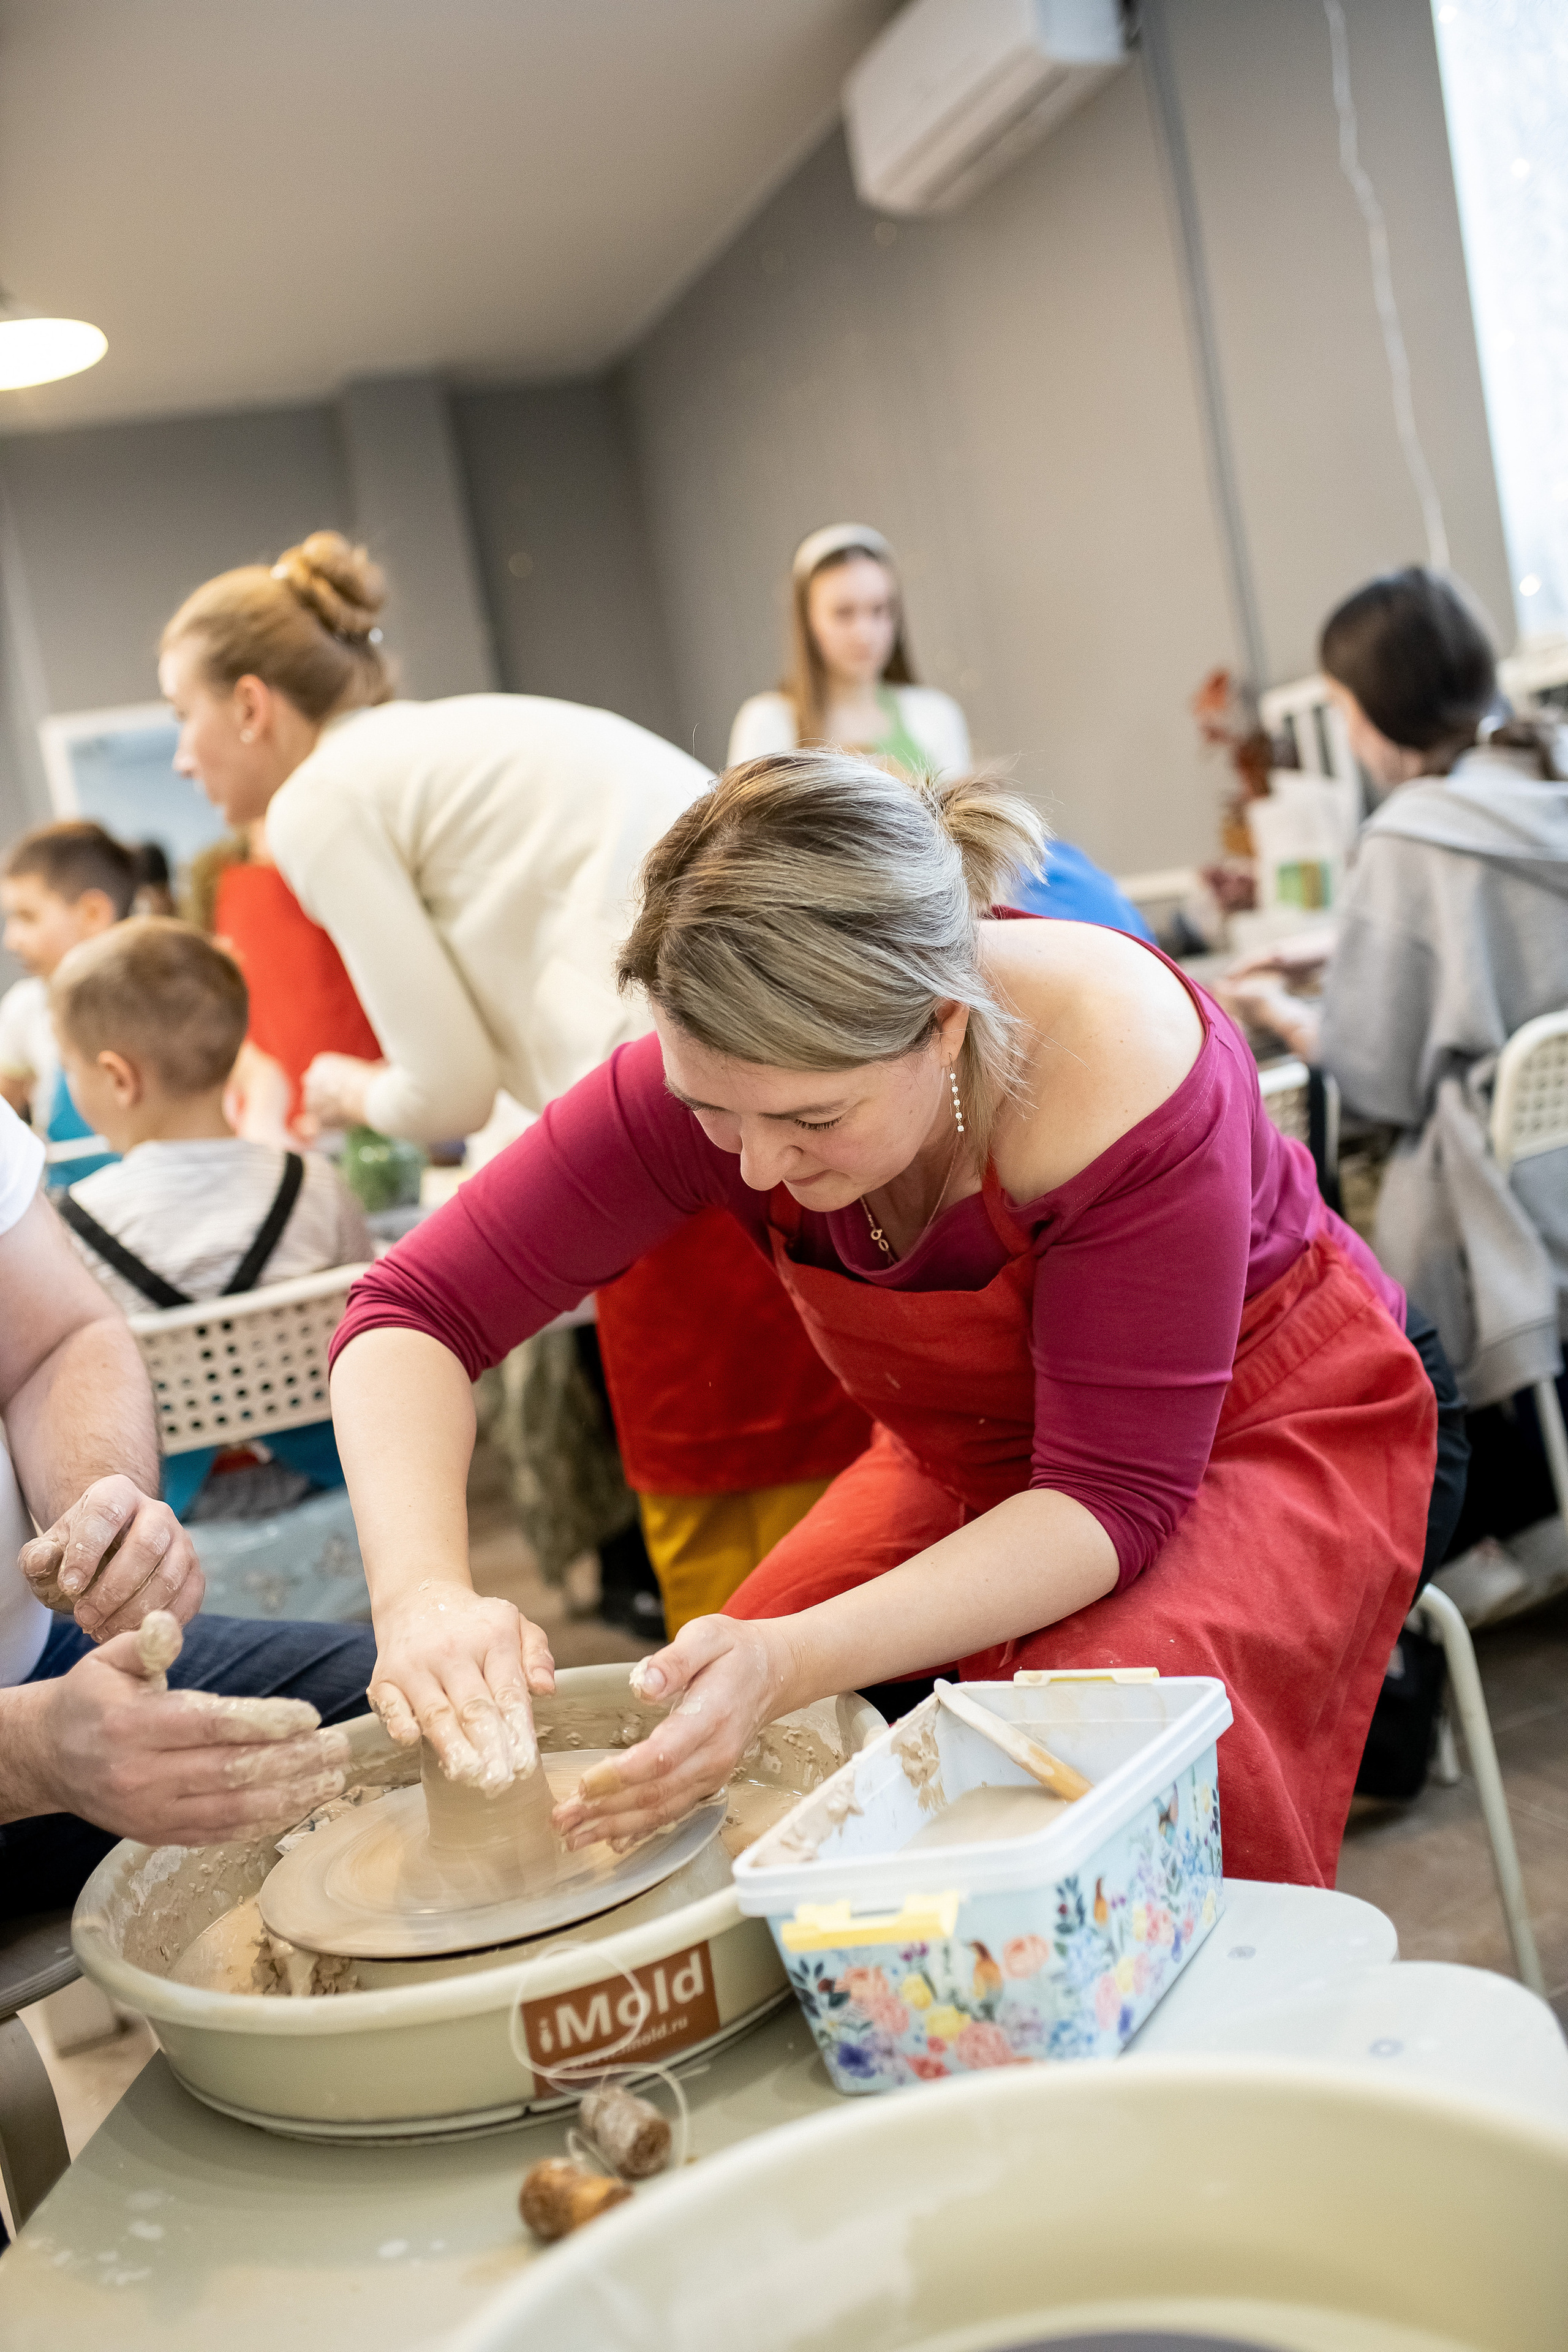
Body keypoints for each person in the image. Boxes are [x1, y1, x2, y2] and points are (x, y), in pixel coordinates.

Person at [326, 752, 1463, 1889]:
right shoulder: (735, 1071)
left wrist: (791, 1658)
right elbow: (412, 1310)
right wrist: (421, 1593)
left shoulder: (1114, 1053)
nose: (756, 1164)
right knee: (717, 1756)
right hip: (976, 1453)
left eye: (814, 1119)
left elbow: (1109, 1499)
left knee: (1079, 1748)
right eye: (712, 1112)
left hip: (1276, 1420)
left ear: (946, 1024)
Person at [156, 535, 869, 1632]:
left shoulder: (316, 802)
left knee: (726, 1501)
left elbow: (445, 1090)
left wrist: (349, 1089)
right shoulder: (446, 744)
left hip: (693, 1089)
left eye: (182, 716)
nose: (179, 759)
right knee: (831, 1474)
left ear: (251, 706)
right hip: (779, 1054)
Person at [1220, 567, 1568, 1551]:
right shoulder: (1543, 773)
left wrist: (1281, 1008)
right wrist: (1347, 947)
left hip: (1514, 1192)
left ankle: (1464, 1530)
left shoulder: (1410, 835)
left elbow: (1372, 1076)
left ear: (1377, 711)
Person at [0, 1092, 368, 1924]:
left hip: (41, 1662)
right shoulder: (312, 1180)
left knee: (393, 1707)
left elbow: (57, 1340)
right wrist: (33, 1755)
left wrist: (101, 1507)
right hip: (25, 1735)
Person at [729, 522, 1153, 938]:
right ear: (807, 620)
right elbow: (747, 849)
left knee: (1083, 892)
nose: (865, 632)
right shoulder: (769, 721)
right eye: (844, 614)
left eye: (880, 611)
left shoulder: (933, 713)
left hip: (942, 897)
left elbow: (967, 842)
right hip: (844, 910)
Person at [0, 820, 139, 1182]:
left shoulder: (163, 1000)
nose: (11, 939)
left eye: (27, 917)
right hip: (71, 1201)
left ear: (93, 914)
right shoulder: (25, 1008)